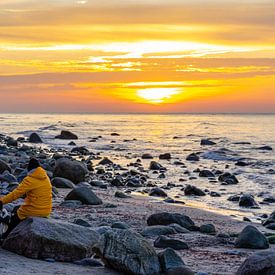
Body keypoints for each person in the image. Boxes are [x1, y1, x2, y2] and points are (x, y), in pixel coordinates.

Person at [0, 158, 52, 239]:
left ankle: (5, 236)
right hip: (46, 211)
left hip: (34, 210)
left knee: (15, 216)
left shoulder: (30, 179)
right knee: (16, 208)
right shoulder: (45, 177)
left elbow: (15, 195)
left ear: (29, 169)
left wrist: (2, 201)